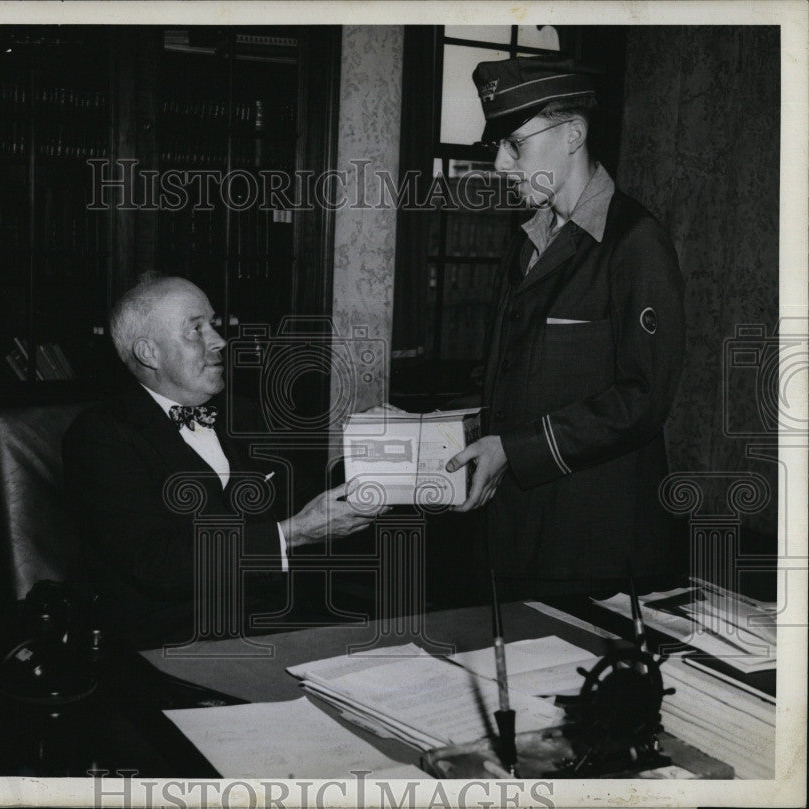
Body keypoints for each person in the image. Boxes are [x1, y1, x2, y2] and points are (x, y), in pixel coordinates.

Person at [444, 56, 686, 598]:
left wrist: (515, 449)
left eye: (516, 145)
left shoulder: (634, 243)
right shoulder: (528, 238)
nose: (502, 166)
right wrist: (428, 427)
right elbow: (510, 378)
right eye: (497, 149)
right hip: (519, 531)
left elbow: (643, 398)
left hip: (593, 544)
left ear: (573, 134)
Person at [63, 273, 380, 648]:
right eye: (196, 329)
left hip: (281, 622)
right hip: (172, 641)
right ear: (149, 352)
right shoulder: (100, 436)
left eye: (212, 324)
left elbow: (307, 505)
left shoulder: (243, 414)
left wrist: (372, 455)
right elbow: (158, 563)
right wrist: (291, 533)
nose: (219, 341)